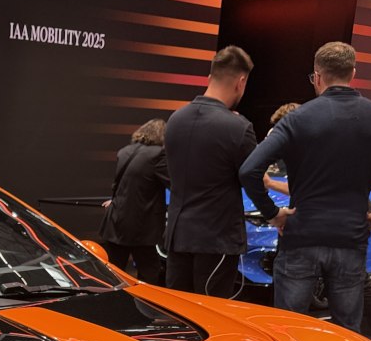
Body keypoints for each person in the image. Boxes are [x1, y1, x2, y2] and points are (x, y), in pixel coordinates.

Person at [239, 41, 371, 332]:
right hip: (350, 237)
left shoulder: (297, 119)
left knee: (289, 330)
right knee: (346, 333)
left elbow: (249, 170)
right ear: (353, 73)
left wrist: (273, 214)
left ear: (317, 77)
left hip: (301, 236)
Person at [163, 46, 256, 297]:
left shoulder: (175, 120)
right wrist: (274, 214)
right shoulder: (238, 127)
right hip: (217, 240)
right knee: (211, 311)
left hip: (178, 237)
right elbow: (253, 179)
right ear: (241, 82)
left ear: (209, 78)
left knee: (179, 310)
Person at [99, 119, 170, 284]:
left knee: (113, 273)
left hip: (116, 220)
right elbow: (174, 184)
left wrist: (115, 201)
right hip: (142, 225)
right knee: (149, 272)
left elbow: (122, 184)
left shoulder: (124, 151)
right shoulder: (158, 155)